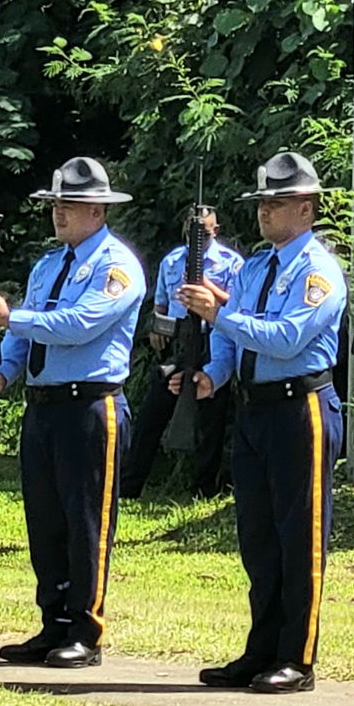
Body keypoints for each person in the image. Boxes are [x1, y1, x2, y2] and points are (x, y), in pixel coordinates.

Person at [0, 156, 145, 668]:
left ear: (98, 211)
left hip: (90, 405)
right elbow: (26, 335)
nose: (59, 212)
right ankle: (54, 623)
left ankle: (86, 630)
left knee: (86, 523)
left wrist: (10, 317)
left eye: (70, 204)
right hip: (43, 406)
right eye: (55, 203)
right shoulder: (48, 266)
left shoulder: (116, 265)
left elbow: (79, 324)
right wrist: (3, 373)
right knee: (46, 522)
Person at [176, 151, 347, 694]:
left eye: (276, 202)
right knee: (258, 536)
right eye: (261, 203)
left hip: (301, 407)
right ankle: (262, 648)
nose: (265, 212)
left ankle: (297, 656)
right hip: (255, 408)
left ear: (306, 209)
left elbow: (286, 338)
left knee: (300, 537)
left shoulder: (317, 271)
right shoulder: (254, 267)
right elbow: (233, 338)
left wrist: (217, 313)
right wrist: (212, 375)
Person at [121, 206, 242, 498]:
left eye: (204, 233)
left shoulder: (232, 263)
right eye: (191, 232)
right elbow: (161, 303)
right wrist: (156, 326)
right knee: (152, 413)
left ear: (216, 230)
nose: (196, 237)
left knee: (211, 418)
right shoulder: (173, 261)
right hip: (179, 341)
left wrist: (206, 286)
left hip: (215, 340)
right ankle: (129, 486)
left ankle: (205, 488)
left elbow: (237, 306)